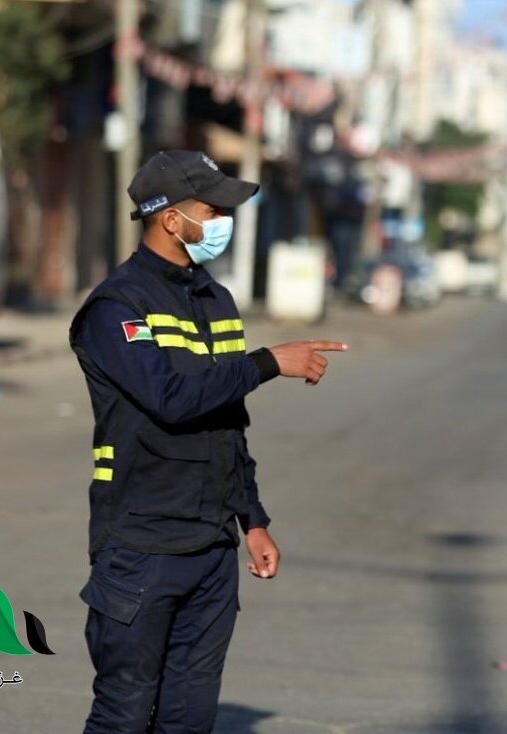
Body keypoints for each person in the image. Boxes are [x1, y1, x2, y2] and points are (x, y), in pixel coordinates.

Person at [69, 150, 347, 733]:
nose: (223, 220)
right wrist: (269, 361)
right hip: (141, 547)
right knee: (124, 714)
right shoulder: (116, 307)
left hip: (211, 550)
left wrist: (253, 518)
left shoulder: (213, 300)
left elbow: (226, 422)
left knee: (189, 719)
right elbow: (170, 398)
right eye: (212, 209)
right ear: (170, 219)